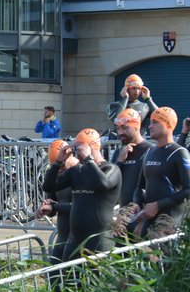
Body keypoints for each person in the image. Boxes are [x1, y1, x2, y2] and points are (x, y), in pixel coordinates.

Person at [54, 128, 121, 258]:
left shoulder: (111, 169)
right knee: (66, 276)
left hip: (100, 240)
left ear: (92, 147)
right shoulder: (77, 171)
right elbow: (49, 186)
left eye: (79, 148)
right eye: (76, 148)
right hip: (75, 240)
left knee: (97, 278)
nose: (76, 153)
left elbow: (104, 183)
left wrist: (89, 160)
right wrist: (58, 163)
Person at [133, 106, 190, 238]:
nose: (150, 126)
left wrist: (158, 205)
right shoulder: (149, 152)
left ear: (168, 124)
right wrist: (136, 206)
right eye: (150, 122)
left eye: (155, 122)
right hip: (149, 220)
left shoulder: (179, 153)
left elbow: (188, 190)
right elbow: (139, 187)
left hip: (170, 222)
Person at [38, 139, 76, 263]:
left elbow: (81, 206)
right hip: (62, 237)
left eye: (62, 164)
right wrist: (47, 208)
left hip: (78, 239)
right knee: (53, 278)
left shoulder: (82, 173)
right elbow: (53, 208)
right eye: (55, 164)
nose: (59, 169)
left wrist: (55, 207)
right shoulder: (56, 175)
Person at [112, 108, 151, 210]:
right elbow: (110, 182)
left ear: (136, 127)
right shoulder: (119, 152)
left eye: (124, 128)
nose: (120, 133)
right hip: (123, 216)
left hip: (143, 214)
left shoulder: (150, 150)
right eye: (118, 128)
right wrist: (119, 161)